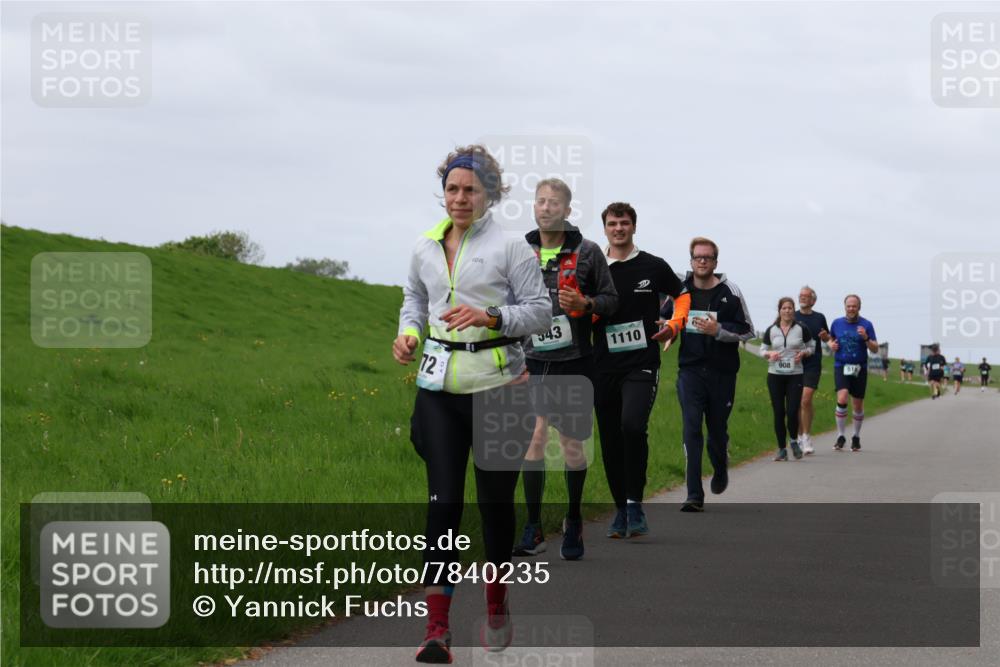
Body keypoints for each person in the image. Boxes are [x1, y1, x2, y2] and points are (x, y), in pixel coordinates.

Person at [393, 145, 551, 663]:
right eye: (452, 188)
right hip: (439, 390)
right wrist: (410, 335)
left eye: (470, 190)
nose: (459, 198)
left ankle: (498, 600)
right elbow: (415, 300)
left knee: (495, 506)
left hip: (499, 388)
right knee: (443, 504)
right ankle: (436, 629)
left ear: (490, 196)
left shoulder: (512, 248)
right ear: (443, 191)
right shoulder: (424, 245)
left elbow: (539, 313)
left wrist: (489, 317)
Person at [514, 178, 618, 561]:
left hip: (575, 363)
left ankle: (574, 518)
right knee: (535, 436)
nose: (545, 207)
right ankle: (533, 526)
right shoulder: (520, 252)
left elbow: (611, 300)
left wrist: (586, 303)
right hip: (534, 360)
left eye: (553, 202)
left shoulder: (589, 252)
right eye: (539, 201)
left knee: (573, 447)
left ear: (567, 210)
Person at [593, 202, 689, 536]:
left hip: (641, 364)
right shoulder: (592, 267)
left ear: (634, 227)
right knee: (609, 440)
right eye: (612, 223)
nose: (618, 228)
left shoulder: (653, 265)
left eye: (624, 223)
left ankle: (635, 503)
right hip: (601, 366)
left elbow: (683, 294)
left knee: (632, 427)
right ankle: (621, 508)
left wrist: (675, 326)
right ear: (604, 228)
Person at [666, 237, 754, 511]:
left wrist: (718, 331)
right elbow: (667, 317)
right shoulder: (680, 290)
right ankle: (694, 494)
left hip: (722, 372)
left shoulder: (731, 291)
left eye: (707, 257)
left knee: (717, 431)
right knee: (691, 428)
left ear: (716, 262)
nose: (702, 261)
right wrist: (668, 327)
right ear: (691, 260)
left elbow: (748, 330)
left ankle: (720, 466)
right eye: (697, 257)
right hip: (690, 370)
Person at [760, 297, 814, 461]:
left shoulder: (801, 328)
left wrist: (804, 353)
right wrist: (769, 354)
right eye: (784, 308)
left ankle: (793, 441)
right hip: (775, 375)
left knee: (792, 411)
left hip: (795, 375)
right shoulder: (771, 330)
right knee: (778, 412)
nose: (787, 311)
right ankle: (782, 449)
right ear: (779, 311)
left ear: (793, 310)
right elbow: (762, 350)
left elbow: (812, 347)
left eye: (790, 308)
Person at [828, 294, 878, 451]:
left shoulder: (867, 324)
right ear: (845, 307)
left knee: (857, 404)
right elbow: (831, 339)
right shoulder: (836, 323)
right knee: (842, 397)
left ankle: (856, 436)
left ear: (859, 307)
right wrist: (831, 345)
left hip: (859, 367)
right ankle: (840, 435)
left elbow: (875, 348)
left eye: (854, 306)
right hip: (841, 365)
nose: (851, 309)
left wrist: (866, 338)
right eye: (848, 306)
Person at [794, 286, 830, 455]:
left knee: (805, 400)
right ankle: (800, 436)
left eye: (806, 296)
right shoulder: (791, 315)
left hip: (813, 363)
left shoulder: (819, 317)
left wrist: (826, 338)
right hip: (794, 363)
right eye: (801, 296)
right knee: (797, 402)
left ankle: (807, 436)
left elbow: (827, 337)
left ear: (813, 300)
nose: (802, 298)